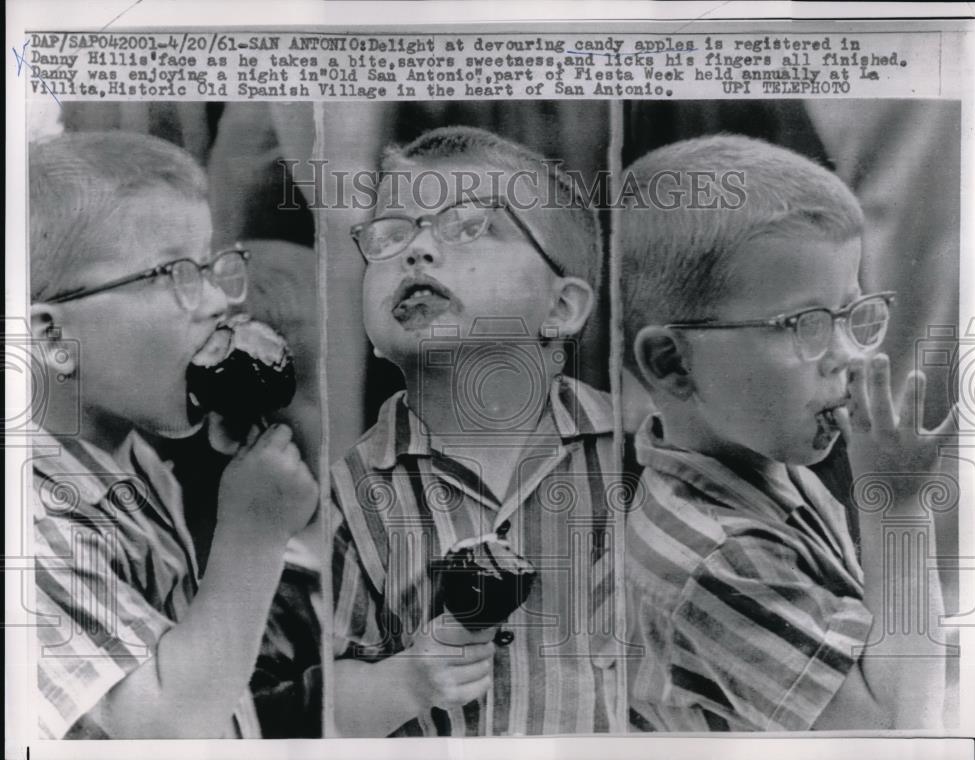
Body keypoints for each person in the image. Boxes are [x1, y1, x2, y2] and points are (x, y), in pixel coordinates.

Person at [620, 134, 957, 731]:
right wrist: (898, 506)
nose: (849, 356)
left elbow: (856, 633)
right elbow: (898, 735)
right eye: (804, 325)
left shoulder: (764, 464)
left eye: (852, 314)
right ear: (672, 363)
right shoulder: (719, 558)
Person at [326, 126, 622, 736]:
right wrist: (400, 683)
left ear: (561, 308)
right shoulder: (343, 500)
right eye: (389, 235)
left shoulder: (646, 457)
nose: (418, 251)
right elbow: (296, 708)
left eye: (469, 226)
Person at [29, 132, 318, 738]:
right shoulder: (30, 518)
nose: (217, 298)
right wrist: (253, 536)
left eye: (212, 265)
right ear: (53, 339)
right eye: (172, 273)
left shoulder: (134, 460)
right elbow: (161, 729)